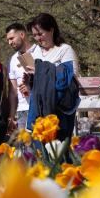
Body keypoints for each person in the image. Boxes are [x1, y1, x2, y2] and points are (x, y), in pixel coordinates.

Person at [25, 13, 80, 141]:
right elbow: (37, 85)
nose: (37, 38)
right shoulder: (35, 52)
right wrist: (28, 82)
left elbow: (69, 78)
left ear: (51, 30)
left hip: (59, 112)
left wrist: (39, 71)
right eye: (34, 35)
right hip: (39, 111)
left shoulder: (65, 50)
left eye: (40, 34)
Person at [5, 22, 40, 132]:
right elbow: (13, 91)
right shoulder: (13, 59)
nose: (10, 42)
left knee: (41, 147)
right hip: (22, 111)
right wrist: (11, 115)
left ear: (22, 35)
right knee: (26, 148)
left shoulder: (40, 52)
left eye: (11, 38)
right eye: (8, 40)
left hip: (39, 108)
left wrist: (31, 87)